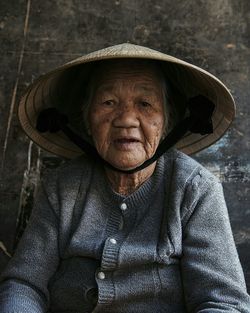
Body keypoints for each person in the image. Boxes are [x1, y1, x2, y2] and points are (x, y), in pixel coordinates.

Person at [0, 43, 249, 313]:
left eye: (145, 104)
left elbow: (223, 303)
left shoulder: (194, 189)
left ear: (166, 121)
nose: (126, 119)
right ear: (87, 118)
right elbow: (24, 284)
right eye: (109, 103)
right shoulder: (63, 186)